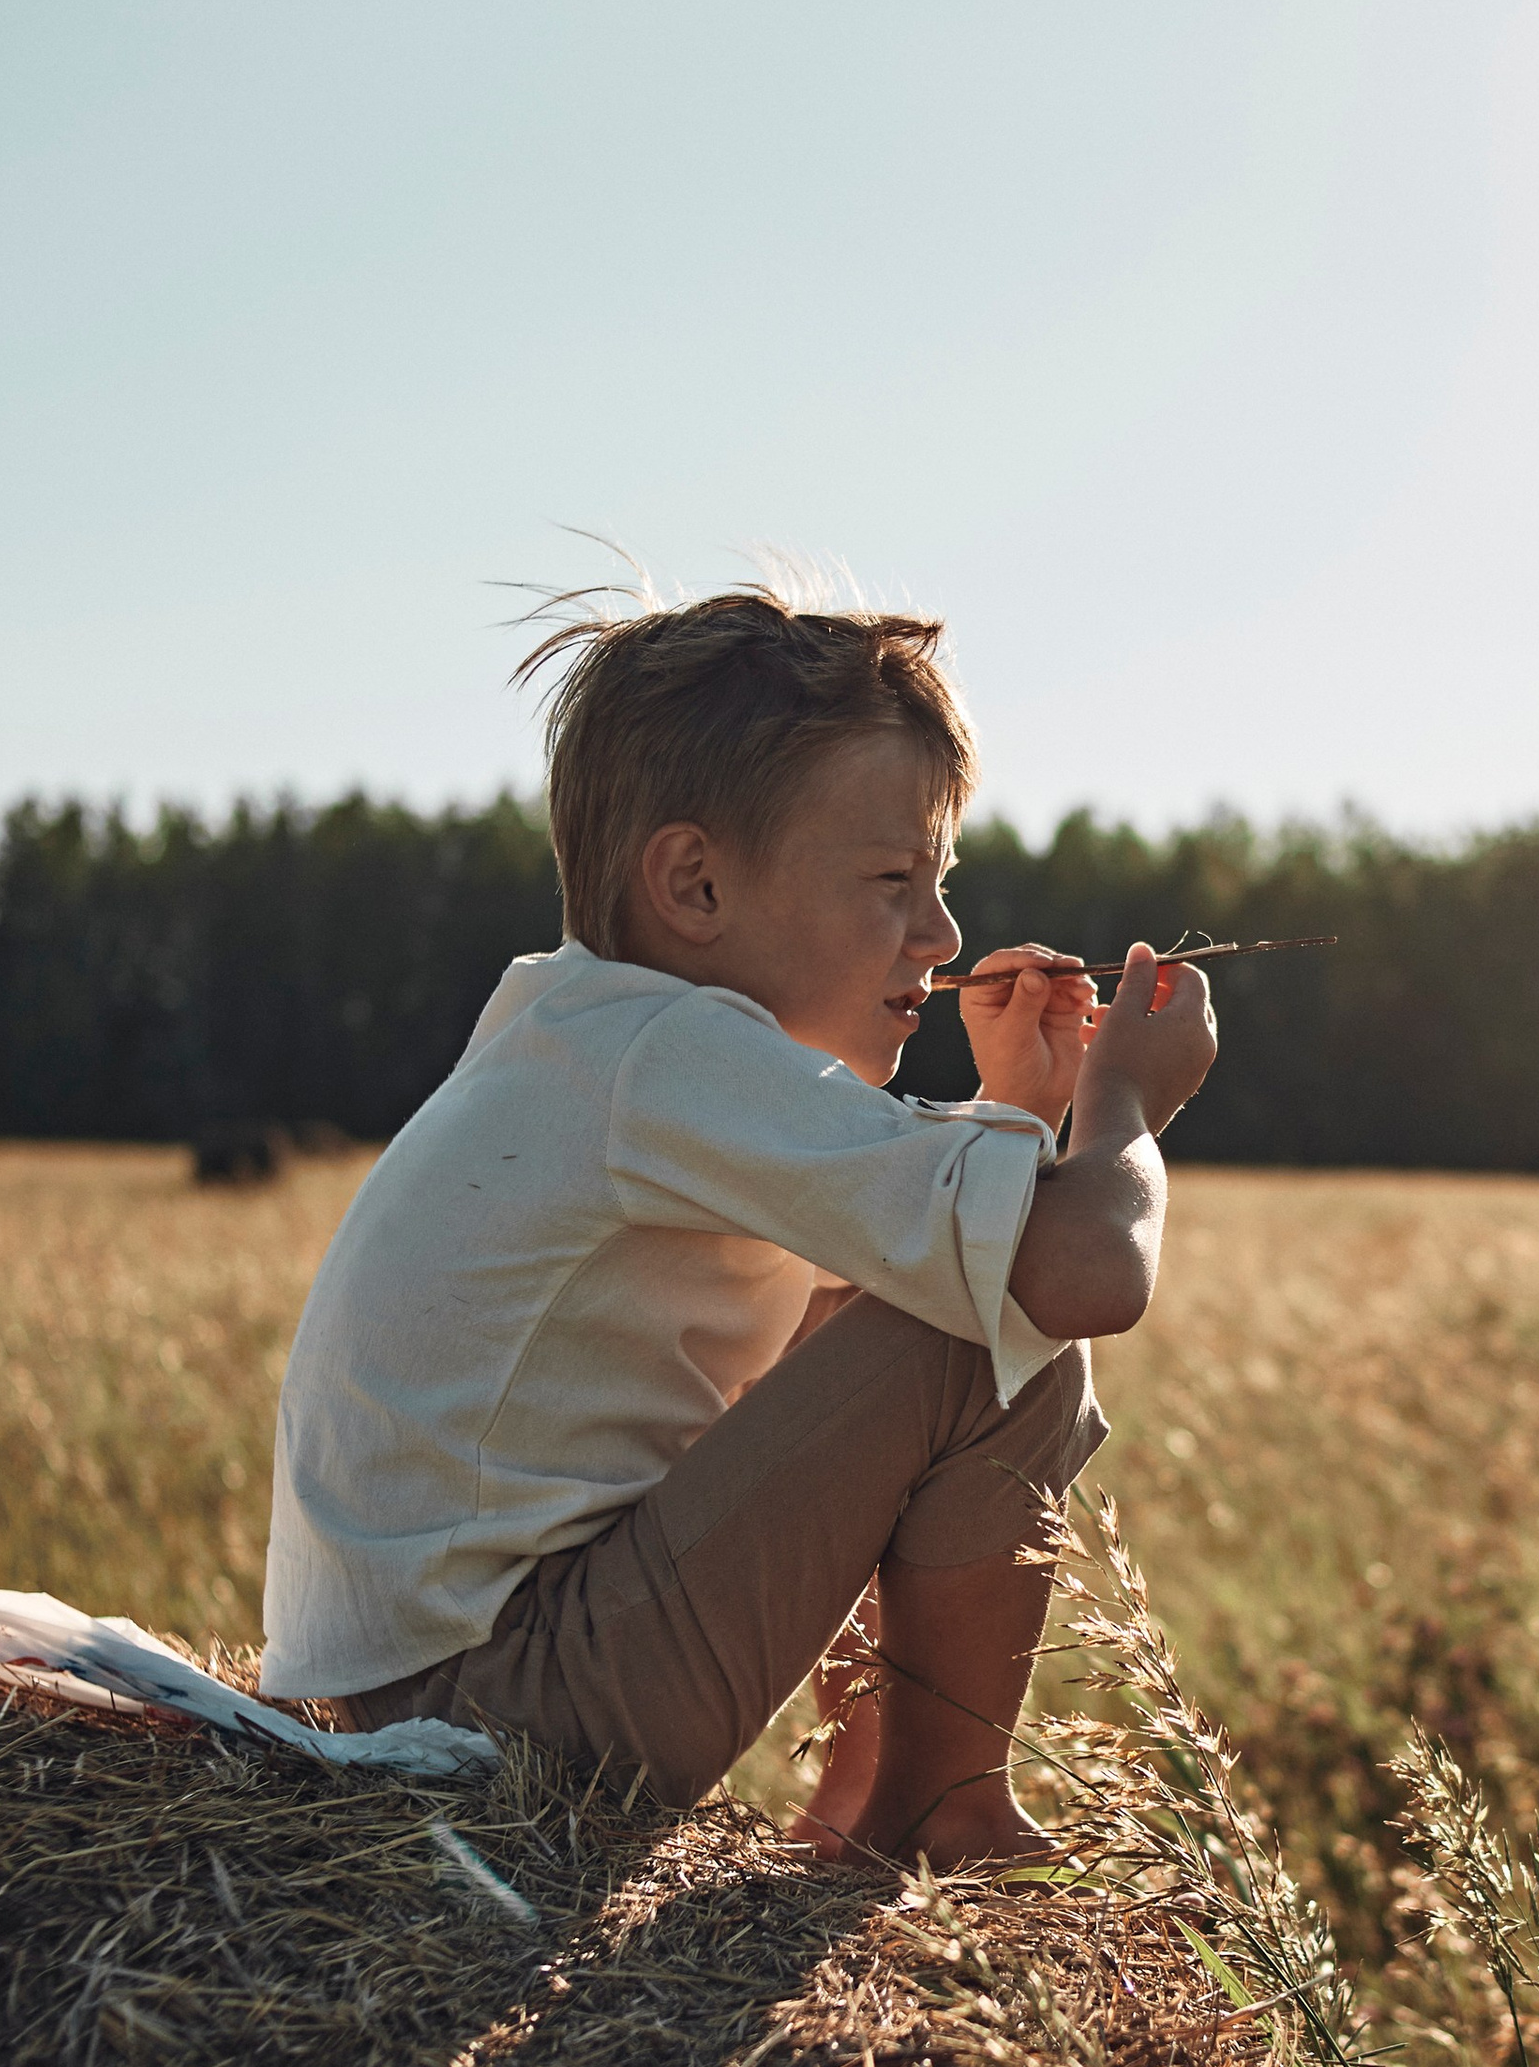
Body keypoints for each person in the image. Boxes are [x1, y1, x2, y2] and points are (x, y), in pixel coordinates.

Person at [258, 583, 1217, 1868]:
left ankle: (862, 1799)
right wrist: (1123, 1109)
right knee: (994, 1326)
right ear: (695, 883)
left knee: (896, 1298)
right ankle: (942, 1823)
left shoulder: (592, 1040)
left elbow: (869, 1312)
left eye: (940, 885)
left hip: (404, 1707)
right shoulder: (671, 1049)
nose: (939, 939)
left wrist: (1012, 1109)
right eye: (890, 881)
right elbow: (1084, 1272)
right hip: (487, 1726)